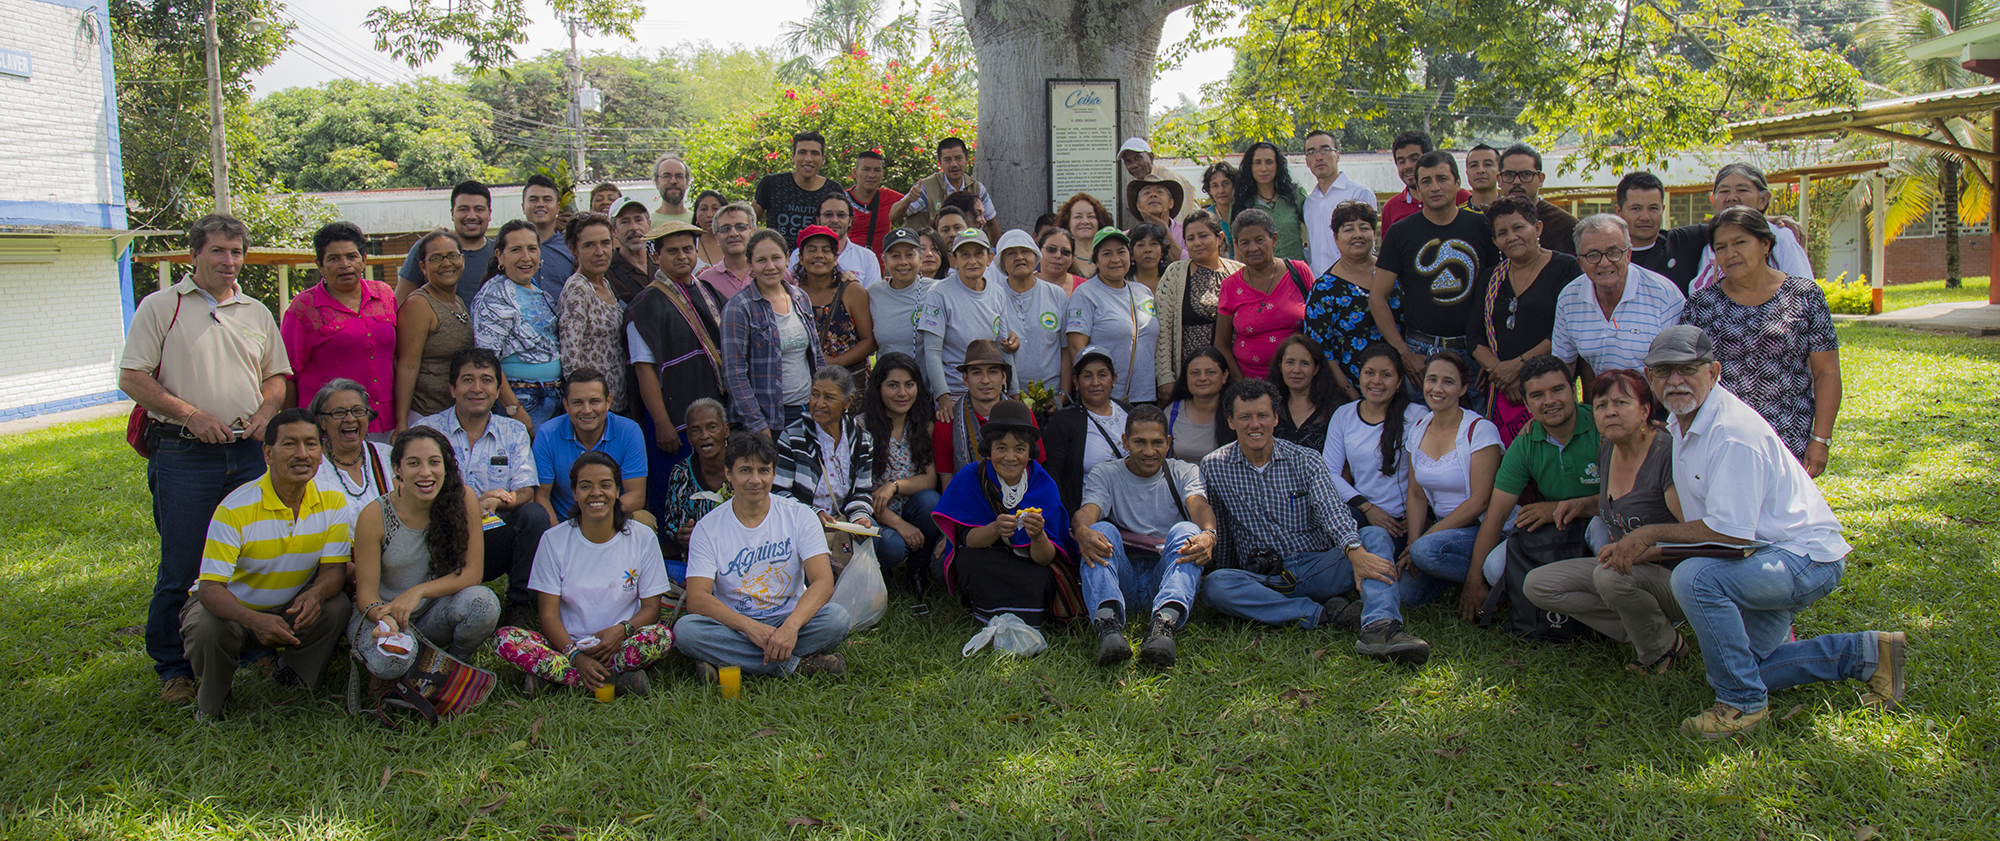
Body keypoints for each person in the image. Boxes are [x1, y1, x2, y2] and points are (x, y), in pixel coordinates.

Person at [1606, 325, 1905, 738]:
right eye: (1663, 371)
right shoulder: (1682, 421)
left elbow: (1730, 534)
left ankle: (1740, 704)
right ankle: (1866, 653)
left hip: (1802, 559)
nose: (1675, 380)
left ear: (1714, 371)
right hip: (1763, 556)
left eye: (1688, 369)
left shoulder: (1731, 434)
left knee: (1695, 580)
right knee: (1752, 665)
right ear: (1651, 377)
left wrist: (1647, 535)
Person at [119, 214, 291, 705]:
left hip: (245, 451)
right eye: (218, 251)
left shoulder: (255, 311)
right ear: (193, 255)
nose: (229, 261)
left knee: (253, 554)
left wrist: (265, 410)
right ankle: (173, 667)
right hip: (183, 451)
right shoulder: (161, 306)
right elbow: (132, 376)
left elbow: (276, 375)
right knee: (183, 562)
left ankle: (254, 647)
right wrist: (191, 415)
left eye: (236, 252)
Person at [1199, 379, 1429, 664]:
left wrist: (1354, 551)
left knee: (1376, 537)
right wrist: (1224, 569)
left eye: (1262, 416)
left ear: (1275, 418)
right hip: (1266, 576)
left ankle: (1380, 627)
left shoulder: (1306, 460)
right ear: (1231, 421)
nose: (1254, 424)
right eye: (1245, 417)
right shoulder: (1214, 465)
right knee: (1216, 585)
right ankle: (1322, 613)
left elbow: (1333, 510)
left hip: (1319, 565)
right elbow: (1221, 524)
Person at [176, 409, 353, 719]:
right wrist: (253, 621)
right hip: (231, 610)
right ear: (268, 454)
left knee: (335, 605)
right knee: (205, 626)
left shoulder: (333, 500)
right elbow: (209, 590)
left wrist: (315, 594)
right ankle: (213, 702)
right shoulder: (235, 508)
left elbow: (333, 571)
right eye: (290, 444)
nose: (302, 454)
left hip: (288, 608)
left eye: (311, 444)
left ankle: (294, 678)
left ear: (321, 452)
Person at [1521, 368, 1689, 675]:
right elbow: (1611, 507)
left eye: (1621, 403)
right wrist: (1574, 505)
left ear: (1645, 410)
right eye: (1600, 405)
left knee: (1609, 577)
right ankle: (1649, 629)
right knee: (1538, 585)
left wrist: (1645, 550)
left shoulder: (1666, 455)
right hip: (1627, 567)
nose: (1610, 412)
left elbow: (1697, 534)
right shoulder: (1609, 448)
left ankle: (1660, 650)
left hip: (1676, 577)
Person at [677, 431, 853, 679]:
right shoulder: (708, 528)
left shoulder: (800, 516)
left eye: (763, 470)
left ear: (774, 472)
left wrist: (790, 628)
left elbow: (823, 583)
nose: (755, 480)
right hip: (734, 625)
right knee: (686, 631)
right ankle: (796, 666)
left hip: (791, 618)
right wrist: (750, 628)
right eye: (745, 470)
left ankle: (730, 661)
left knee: (837, 618)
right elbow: (697, 598)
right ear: (728, 474)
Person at [1679, 206, 1841, 474]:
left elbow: (1827, 372)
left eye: (1740, 242)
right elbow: (1687, 375)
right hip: (1723, 436)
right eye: (1721, 247)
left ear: (1765, 244)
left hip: (1789, 434)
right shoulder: (1702, 305)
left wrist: (1820, 440)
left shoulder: (1805, 296)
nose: (1730, 254)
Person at [496, 452, 673, 697]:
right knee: (506, 639)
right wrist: (574, 654)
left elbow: (651, 609)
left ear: (618, 490)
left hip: (621, 642)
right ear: (575, 493)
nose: (596, 493)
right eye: (586, 486)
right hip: (567, 646)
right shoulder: (553, 540)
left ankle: (557, 679)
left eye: (605, 485)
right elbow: (547, 614)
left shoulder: (642, 538)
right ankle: (614, 679)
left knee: (660, 637)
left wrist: (621, 631)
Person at [348, 426, 500, 686]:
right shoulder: (374, 515)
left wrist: (418, 591)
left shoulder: (463, 499)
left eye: (434, 462)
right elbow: (366, 597)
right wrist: (384, 619)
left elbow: (473, 573)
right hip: (383, 617)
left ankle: (452, 667)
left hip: (432, 615)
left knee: (483, 603)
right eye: (413, 463)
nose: (426, 472)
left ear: (445, 466)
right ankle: (402, 673)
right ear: (397, 469)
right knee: (392, 661)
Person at [1072, 404, 1218, 667]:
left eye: (1157, 442)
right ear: (1125, 441)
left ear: (1168, 442)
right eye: (1139, 442)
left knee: (1188, 531)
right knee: (1100, 530)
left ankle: (1164, 625)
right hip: (1122, 578)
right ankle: (1108, 625)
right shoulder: (1106, 473)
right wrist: (1082, 530)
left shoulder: (1184, 471)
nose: (1149, 451)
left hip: (1163, 578)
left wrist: (1209, 534)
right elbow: (1088, 512)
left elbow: (1198, 505)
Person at [1459, 355, 1604, 620]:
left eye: (1558, 390)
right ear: (1526, 403)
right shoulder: (1525, 443)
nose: (1549, 401)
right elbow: (1496, 515)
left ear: (1575, 391)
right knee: (1494, 568)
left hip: (1601, 521)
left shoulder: (1601, 428)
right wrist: (1473, 581)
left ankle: (1616, 606)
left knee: (1601, 528)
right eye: (1537, 395)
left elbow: (1626, 500)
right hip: (1560, 530)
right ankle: (1572, 611)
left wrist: (1563, 508)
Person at [417, 347, 552, 630]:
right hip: (439, 536)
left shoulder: (513, 431)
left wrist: (499, 501)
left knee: (534, 515)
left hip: (491, 533)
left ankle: (519, 604)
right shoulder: (426, 431)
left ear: (497, 388)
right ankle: (432, 601)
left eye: (487, 380)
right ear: (452, 388)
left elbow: (526, 489)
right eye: (467, 380)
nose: (477, 388)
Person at [932, 399, 1083, 627]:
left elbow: (1045, 557)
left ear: (1030, 453)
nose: (1010, 457)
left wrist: (1038, 536)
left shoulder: (1043, 485)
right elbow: (969, 540)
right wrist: (994, 529)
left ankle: (1023, 616)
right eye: (1001, 448)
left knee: (1042, 576)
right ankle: (987, 611)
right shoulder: (971, 477)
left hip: (1028, 563)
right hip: (985, 555)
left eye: (1019, 449)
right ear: (989, 450)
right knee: (971, 562)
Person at [627, 218, 727, 510]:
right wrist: (662, 423)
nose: (682, 256)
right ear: (655, 256)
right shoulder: (645, 305)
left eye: (687, 249)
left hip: (712, 408)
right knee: (673, 486)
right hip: (673, 416)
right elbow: (643, 368)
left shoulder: (708, 292)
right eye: (672, 251)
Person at [1373, 152, 1498, 385]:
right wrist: (1405, 354)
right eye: (1426, 182)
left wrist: (1488, 352)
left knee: (1477, 422)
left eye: (1442, 178)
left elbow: (1496, 290)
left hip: (1474, 351)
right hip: (1420, 353)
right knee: (1422, 422)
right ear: (1418, 190)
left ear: (1458, 184)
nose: (1435, 187)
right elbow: (1377, 297)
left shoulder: (1482, 225)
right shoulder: (1400, 233)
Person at [1470, 197, 1583, 442]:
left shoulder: (1566, 268)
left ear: (1538, 228)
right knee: (1508, 468)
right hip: (1502, 393)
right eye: (1502, 233)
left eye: (1518, 227)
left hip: (1549, 390)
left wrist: (1520, 370)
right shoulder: (1491, 277)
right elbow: (1474, 337)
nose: (1511, 237)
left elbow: (1565, 332)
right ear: (1495, 241)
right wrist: (1502, 374)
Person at [396, 229, 529, 433]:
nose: (446, 263)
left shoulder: (456, 302)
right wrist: (401, 423)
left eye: (451, 256)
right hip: (425, 415)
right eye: (436, 258)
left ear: (462, 260)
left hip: (453, 416)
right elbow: (407, 366)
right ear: (423, 266)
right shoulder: (419, 304)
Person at [1400, 353, 1503, 610]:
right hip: (1442, 534)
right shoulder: (1419, 427)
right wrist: (1413, 540)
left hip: (1481, 529)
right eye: (1431, 379)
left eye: (1448, 382)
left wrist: (1423, 541)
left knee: (1425, 552)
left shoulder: (1480, 430)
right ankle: (1457, 573)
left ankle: (1495, 581)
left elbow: (1480, 501)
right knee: (1405, 595)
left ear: (1463, 388)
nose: (1437, 388)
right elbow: (1416, 494)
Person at [283, 222, 397, 439]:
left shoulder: (384, 294)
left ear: (364, 259)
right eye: (334, 259)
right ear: (320, 265)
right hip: (329, 428)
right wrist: (293, 426)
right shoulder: (304, 307)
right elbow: (288, 374)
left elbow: (398, 358)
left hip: (384, 421)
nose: (345, 264)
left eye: (352, 256)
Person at [1550, 214, 1686, 392]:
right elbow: (1563, 365)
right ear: (1581, 262)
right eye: (1593, 255)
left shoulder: (1664, 295)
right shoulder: (1569, 299)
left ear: (1628, 255)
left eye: (1614, 253)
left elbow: (1678, 371)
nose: (1604, 263)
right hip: (1603, 404)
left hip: (1658, 404)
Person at [1322, 344, 1427, 564]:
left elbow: (1427, 471)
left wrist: (1417, 517)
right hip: (1359, 512)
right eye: (1369, 373)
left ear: (1399, 383)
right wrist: (1368, 508)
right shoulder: (1345, 415)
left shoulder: (1416, 415)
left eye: (1386, 375)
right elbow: (1329, 473)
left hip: (1399, 523)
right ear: (1360, 376)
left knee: (1377, 545)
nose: (1376, 381)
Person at [772, 366, 880, 571]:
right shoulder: (793, 436)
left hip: (842, 521)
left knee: (882, 541)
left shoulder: (862, 440)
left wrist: (859, 517)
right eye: (815, 395)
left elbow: (862, 491)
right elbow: (779, 492)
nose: (819, 404)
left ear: (847, 402)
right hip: (801, 523)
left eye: (829, 397)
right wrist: (813, 514)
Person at [722, 229, 823, 436]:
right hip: (770, 419)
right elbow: (734, 374)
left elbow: (816, 355)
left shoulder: (799, 297)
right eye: (761, 260)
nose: (770, 266)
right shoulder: (739, 308)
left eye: (776, 258)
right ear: (750, 264)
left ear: (786, 258)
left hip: (808, 410)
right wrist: (758, 426)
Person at [473, 220, 565, 427]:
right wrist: (514, 409)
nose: (526, 257)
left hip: (554, 397)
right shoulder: (494, 295)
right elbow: (488, 361)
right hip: (523, 399)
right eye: (516, 250)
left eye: (532, 249)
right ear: (499, 255)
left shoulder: (537, 290)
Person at [533, 369, 652, 529]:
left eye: (594, 401)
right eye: (577, 402)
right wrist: (557, 537)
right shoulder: (547, 434)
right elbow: (542, 496)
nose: (587, 410)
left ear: (608, 402)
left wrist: (594, 521)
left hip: (612, 519)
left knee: (644, 519)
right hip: (566, 525)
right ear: (566, 405)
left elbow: (636, 496)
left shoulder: (629, 431)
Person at [861, 353, 943, 574]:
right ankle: (879, 572)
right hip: (872, 513)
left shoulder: (923, 426)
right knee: (893, 546)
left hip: (910, 508)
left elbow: (929, 479)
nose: (902, 393)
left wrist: (893, 486)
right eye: (893, 385)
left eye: (909, 385)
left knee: (931, 502)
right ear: (878, 387)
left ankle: (918, 568)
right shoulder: (860, 428)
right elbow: (855, 493)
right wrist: (897, 523)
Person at [1304, 201, 1396, 397]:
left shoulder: (1393, 274)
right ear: (1336, 238)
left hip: (1398, 384)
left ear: (1374, 233)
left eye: (1364, 228)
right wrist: (1349, 391)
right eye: (1348, 229)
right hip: (1351, 392)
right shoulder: (1324, 289)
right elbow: (1319, 348)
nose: (1357, 235)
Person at [921, 229, 1014, 410]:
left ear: (989, 258)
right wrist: (943, 398)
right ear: (954, 261)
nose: (972, 260)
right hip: (954, 393)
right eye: (965, 255)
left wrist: (1014, 393)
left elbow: (1003, 348)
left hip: (990, 394)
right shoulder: (939, 293)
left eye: (979, 254)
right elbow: (932, 351)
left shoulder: (997, 293)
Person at [1216, 209, 1312, 382]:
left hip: (1299, 381)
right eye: (1245, 243)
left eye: (1259, 240)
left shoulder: (1299, 272)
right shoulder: (1230, 286)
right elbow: (1221, 344)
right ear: (1236, 245)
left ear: (1273, 239)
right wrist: (1242, 384)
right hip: (1251, 382)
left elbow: (1319, 327)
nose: (1253, 248)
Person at [1687, 163, 1814, 294]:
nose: (1731, 197)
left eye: (1742, 190)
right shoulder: (1707, 240)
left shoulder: (1779, 236)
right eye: (1724, 191)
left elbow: (1805, 297)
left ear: (1763, 200)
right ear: (1713, 200)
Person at [1155, 210, 1244, 394]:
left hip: (1233, 375)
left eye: (1203, 236)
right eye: (1190, 238)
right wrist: (1165, 378)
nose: (1197, 243)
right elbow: (1163, 331)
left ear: (1219, 238)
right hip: (1191, 377)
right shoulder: (1175, 274)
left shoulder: (1239, 272)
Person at [1066, 229, 1159, 404]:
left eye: (1121, 252)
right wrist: (1095, 390)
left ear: (1129, 256)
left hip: (1146, 396)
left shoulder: (1143, 292)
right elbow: (1076, 348)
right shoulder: (1085, 294)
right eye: (1107, 254)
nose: (1115, 259)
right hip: (1105, 398)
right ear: (1096, 260)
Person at [558, 212, 632, 414]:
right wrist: (586, 405)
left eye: (605, 243)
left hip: (616, 401)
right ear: (574, 249)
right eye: (589, 245)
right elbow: (570, 355)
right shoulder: (578, 289)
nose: (599, 252)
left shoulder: (605, 284)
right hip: (593, 408)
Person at [934, 339, 1039, 482]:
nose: (985, 380)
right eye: (977, 373)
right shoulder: (947, 424)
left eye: (993, 372)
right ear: (965, 378)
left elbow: (1037, 473)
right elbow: (948, 486)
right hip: (968, 499)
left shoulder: (1024, 416)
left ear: (1003, 377)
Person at [1046, 347, 1133, 511]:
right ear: (1076, 382)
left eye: (1102, 375)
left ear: (1114, 379)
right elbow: (1053, 477)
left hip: (1132, 511)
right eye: (1087, 376)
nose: (1095, 383)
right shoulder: (1063, 422)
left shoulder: (1129, 413)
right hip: (1087, 516)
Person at [794, 223, 877, 385]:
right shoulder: (793, 294)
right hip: (805, 385)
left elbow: (870, 341)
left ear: (835, 259)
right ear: (801, 258)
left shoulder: (852, 291)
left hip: (849, 384)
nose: (819, 255)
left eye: (826, 250)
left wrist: (835, 362)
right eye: (811, 250)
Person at [659, 398, 733, 576]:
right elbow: (673, 526)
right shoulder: (681, 474)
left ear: (726, 430)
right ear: (689, 438)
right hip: (700, 565)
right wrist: (681, 536)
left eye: (712, 427)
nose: (704, 435)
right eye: (695, 430)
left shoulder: (744, 468)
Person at [395, 180, 494, 308]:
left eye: (479, 209)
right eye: (463, 209)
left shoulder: (501, 253)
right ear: (452, 213)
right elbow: (401, 300)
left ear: (489, 214)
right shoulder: (428, 247)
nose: (471, 216)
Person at [996, 228, 1069, 396]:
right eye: (1011, 254)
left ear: (1035, 257)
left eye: (1025, 251)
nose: (1019, 257)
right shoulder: (993, 295)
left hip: (1052, 393)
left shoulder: (1056, 294)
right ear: (1002, 263)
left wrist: (1063, 394)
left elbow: (1066, 349)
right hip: (1008, 395)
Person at [1300, 129, 1378, 275]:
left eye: (1325, 149)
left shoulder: (1359, 194)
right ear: (1307, 162)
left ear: (1337, 155)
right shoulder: (1309, 203)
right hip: (1318, 285)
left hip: (1353, 283)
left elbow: (1368, 245)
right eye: (1311, 152)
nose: (1318, 157)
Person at [311, 379, 395, 508]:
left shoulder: (388, 457)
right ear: (321, 421)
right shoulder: (312, 465)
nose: (350, 419)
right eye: (338, 413)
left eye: (358, 411)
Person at [894, 136, 999, 239]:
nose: (953, 164)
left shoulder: (977, 188)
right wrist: (908, 200)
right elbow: (893, 217)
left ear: (967, 159)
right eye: (947, 160)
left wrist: (997, 253)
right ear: (940, 163)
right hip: (926, 251)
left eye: (958, 158)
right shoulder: (926, 188)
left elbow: (991, 224)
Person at [754, 130, 847, 246]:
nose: (808, 159)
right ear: (793, 156)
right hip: (777, 260)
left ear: (823, 159)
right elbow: (749, 222)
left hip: (818, 260)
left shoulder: (833, 189)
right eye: (802, 152)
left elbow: (843, 229)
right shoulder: (772, 184)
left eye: (814, 153)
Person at [1616, 171, 1707, 289]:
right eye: (1636, 208)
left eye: (1653, 208)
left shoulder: (1684, 242)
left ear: (1662, 210)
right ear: (1619, 212)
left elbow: (1731, 226)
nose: (1645, 217)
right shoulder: (1605, 256)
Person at [867, 228, 937, 361]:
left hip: (926, 379)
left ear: (921, 258)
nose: (903, 262)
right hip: (887, 378)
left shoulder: (935, 290)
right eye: (895, 256)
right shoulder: (873, 293)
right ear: (885, 261)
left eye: (910, 255)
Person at [1495, 143, 1578, 254]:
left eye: (1526, 174)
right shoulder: (1491, 221)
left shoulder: (1567, 227)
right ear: (1499, 180)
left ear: (1540, 179)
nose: (1517, 181)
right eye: (1509, 175)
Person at [1230, 142, 1307, 262]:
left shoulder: (1295, 196)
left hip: (1296, 274)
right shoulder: (1242, 205)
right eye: (1257, 163)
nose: (1263, 168)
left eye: (1269, 162)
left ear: (1277, 166)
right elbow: (1238, 254)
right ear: (1250, 167)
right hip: (1259, 276)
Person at [1380, 132, 1470, 230]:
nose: (1407, 166)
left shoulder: (1462, 197)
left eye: (1414, 159)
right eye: (1401, 161)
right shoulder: (1390, 208)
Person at [1268, 334, 1342, 451]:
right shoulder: (1269, 405)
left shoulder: (1334, 408)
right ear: (1280, 365)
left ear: (1316, 369)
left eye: (1305, 363)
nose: (1296, 370)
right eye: (1290, 362)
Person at [1162, 347, 1235, 462]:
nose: (1202, 378)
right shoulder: (1172, 412)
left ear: (1224, 375)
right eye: (1195, 373)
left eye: (1210, 372)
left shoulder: (1236, 412)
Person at [796, 194, 883, 287]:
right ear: (818, 219)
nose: (834, 220)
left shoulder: (867, 258)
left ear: (850, 220)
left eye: (841, 215)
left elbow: (873, 298)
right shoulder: (799, 254)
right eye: (828, 215)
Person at [521, 174, 574, 301]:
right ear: (523, 207)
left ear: (557, 208)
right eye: (533, 200)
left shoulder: (571, 247)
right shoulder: (510, 248)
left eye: (547, 199)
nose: (540, 204)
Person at [696, 202, 758, 301]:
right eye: (725, 229)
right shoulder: (705, 281)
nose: (733, 234)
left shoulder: (771, 271)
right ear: (717, 237)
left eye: (741, 227)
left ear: (753, 233)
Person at [846, 149, 903, 255]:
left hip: (878, 268)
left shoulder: (889, 197)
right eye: (866, 169)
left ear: (882, 174)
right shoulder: (841, 200)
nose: (871, 175)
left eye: (877, 170)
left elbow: (917, 204)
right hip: (847, 266)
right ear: (855, 173)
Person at [604, 196, 655, 303]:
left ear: (649, 226)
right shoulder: (607, 273)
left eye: (638, 220)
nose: (633, 227)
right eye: (625, 222)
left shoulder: (661, 265)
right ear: (614, 231)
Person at [1126, 176, 1186, 260]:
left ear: (1171, 203)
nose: (1153, 195)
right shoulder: (1127, 237)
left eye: (1160, 192)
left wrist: (1165, 233)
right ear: (1138, 206)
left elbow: (1190, 263)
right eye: (1147, 193)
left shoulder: (1186, 232)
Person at [1058, 192, 1114, 278]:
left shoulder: (1111, 255)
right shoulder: (1060, 257)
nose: (1085, 221)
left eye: (1091, 216)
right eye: (1078, 217)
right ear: (1068, 222)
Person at [1035, 227, 1087, 295]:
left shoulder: (1084, 288)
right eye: (1051, 249)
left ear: (1072, 258)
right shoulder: (1024, 284)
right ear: (1039, 251)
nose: (1058, 255)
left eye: (1065, 252)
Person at [1201, 161, 1239, 250]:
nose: (1221, 190)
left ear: (1234, 186)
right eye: (1215, 186)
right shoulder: (1205, 218)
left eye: (1226, 183)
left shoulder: (1245, 211)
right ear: (1209, 190)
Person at [1129, 222, 1174, 291]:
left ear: (1162, 251)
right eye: (1141, 245)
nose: (1148, 250)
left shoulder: (1173, 281)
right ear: (1132, 254)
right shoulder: (1125, 284)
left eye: (1154, 244)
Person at [691, 190, 728, 270]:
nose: (710, 214)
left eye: (715, 208)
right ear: (696, 215)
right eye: (703, 209)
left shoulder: (736, 242)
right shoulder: (689, 246)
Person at [651, 156, 693, 224]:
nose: (673, 181)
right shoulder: (647, 225)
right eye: (666, 176)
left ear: (687, 182)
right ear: (656, 182)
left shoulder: (698, 222)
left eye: (679, 176)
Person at [1462, 144, 1501, 212]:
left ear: (1499, 171)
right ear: (1467, 173)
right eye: (1474, 165)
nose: (1480, 170)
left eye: (1487, 164)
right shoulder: (1456, 216)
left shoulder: (1512, 213)